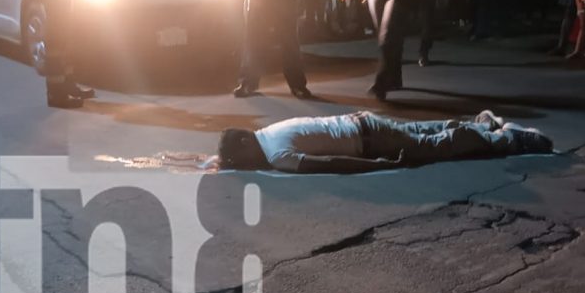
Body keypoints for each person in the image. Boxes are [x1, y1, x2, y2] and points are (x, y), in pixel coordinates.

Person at [217, 110, 553, 173]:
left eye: (238, 161)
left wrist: (374, 165)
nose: (245, 167)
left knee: (432, 147)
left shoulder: (277, 155)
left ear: (246, 147)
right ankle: (479, 123)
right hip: (360, 120)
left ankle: (507, 138)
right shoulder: (272, 131)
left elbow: (331, 164)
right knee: (420, 130)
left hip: (368, 142)